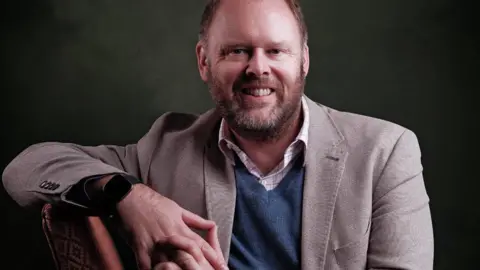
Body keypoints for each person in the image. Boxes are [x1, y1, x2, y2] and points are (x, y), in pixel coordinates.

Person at [2, 0, 434, 269]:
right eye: (237, 50)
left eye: (276, 50)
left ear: (303, 60)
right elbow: (25, 168)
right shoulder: (166, 146)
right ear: (204, 61)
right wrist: (132, 196)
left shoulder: (385, 151)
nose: (257, 68)